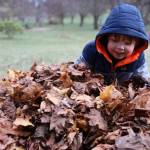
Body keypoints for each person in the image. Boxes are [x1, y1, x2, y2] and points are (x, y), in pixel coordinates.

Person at [75, 3, 149, 84]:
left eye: (127, 43)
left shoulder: (137, 57)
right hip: (92, 91)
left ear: (136, 44)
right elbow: (76, 72)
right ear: (106, 38)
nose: (120, 47)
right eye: (115, 40)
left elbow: (145, 81)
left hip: (123, 94)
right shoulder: (92, 50)